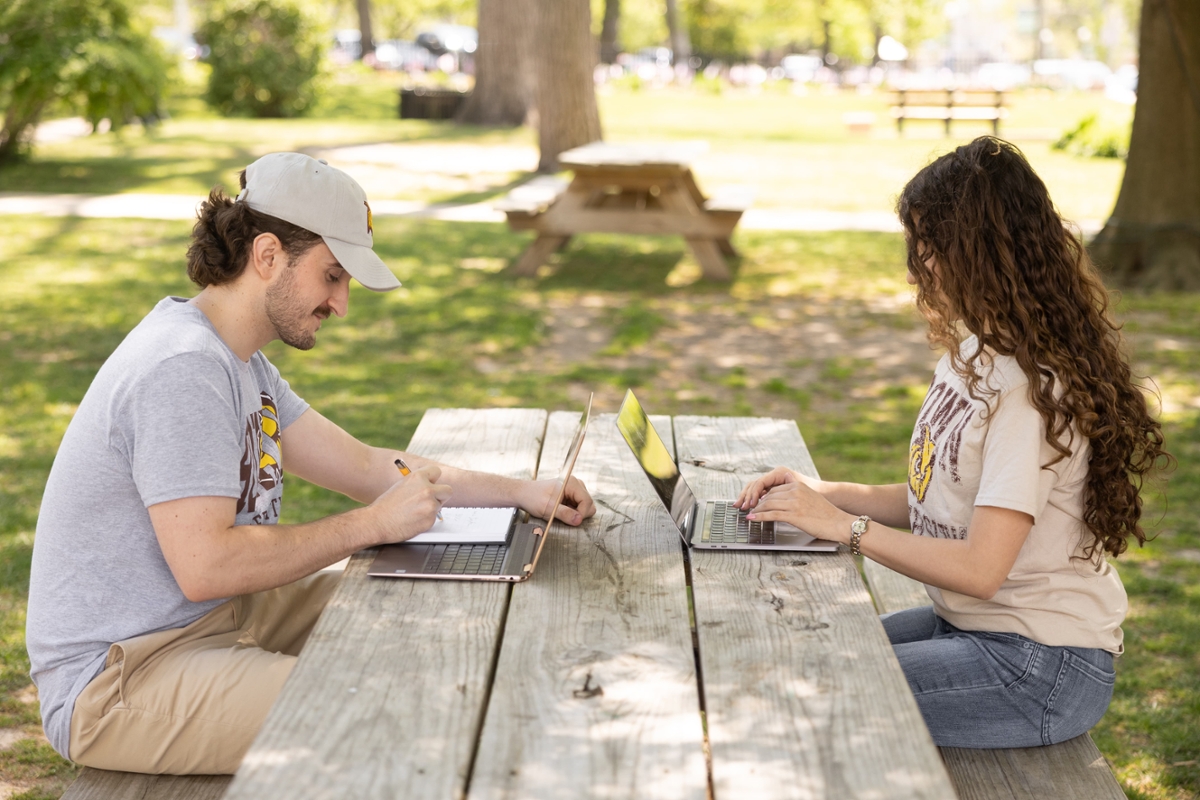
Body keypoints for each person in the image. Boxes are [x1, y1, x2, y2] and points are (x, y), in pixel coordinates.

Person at [26, 152, 596, 775]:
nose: (342, 303)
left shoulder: (241, 362)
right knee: (385, 709)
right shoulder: (182, 368)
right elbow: (207, 566)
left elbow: (371, 466)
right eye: (332, 275)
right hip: (120, 677)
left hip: (220, 620)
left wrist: (526, 493)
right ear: (267, 256)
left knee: (422, 611)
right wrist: (371, 526)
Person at [735, 137, 1168, 749]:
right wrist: (820, 492)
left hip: (1038, 667)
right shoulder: (974, 352)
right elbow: (937, 500)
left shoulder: (1030, 392)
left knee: (807, 690)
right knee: (802, 647)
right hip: (970, 628)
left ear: (977, 253)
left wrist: (843, 529)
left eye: (930, 245)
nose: (919, 263)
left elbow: (982, 569)